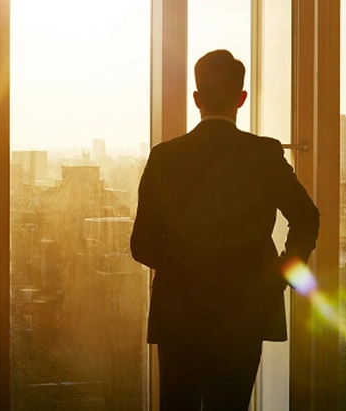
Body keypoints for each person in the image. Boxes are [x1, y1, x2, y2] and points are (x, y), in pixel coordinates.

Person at [130, 49, 320, 410]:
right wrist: (280, 276)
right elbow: (306, 218)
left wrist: (188, 267)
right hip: (245, 308)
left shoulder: (165, 156)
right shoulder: (264, 154)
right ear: (241, 99)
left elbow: (141, 245)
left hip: (179, 312)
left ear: (196, 99)